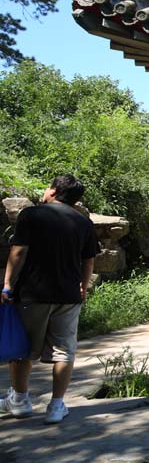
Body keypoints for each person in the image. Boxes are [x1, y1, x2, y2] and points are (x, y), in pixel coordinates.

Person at [1, 174, 99, 424]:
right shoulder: (83, 222)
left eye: (48, 187)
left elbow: (19, 251)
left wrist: (7, 285)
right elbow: (89, 259)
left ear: (54, 191)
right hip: (68, 295)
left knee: (23, 350)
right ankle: (56, 406)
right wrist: (83, 287)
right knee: (64, 351)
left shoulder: (31, 215)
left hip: (32, 294)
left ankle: (21, 401)